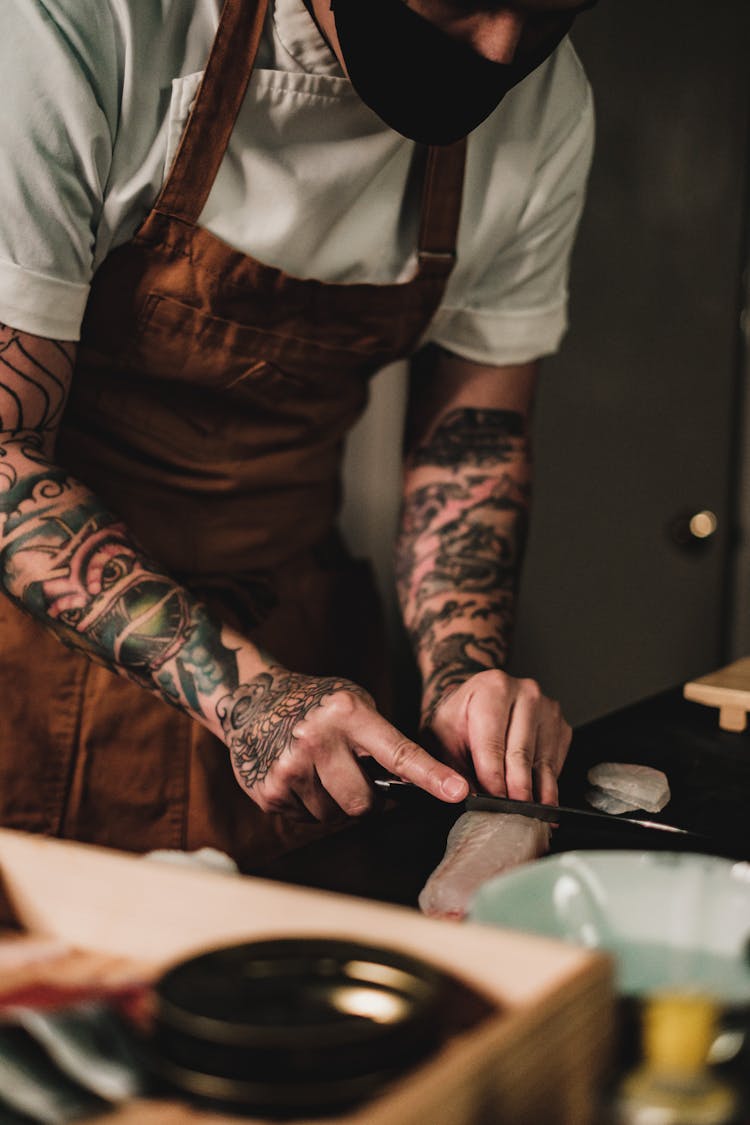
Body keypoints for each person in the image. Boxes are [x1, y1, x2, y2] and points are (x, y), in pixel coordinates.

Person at [0, 0, 594, 868]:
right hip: (27, 679)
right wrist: (244, 694)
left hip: (311, 676)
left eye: (548, 11)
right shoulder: (88, 24)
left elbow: (472, 438)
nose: (503, 49)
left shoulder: (546, 107)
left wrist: (464, 673)